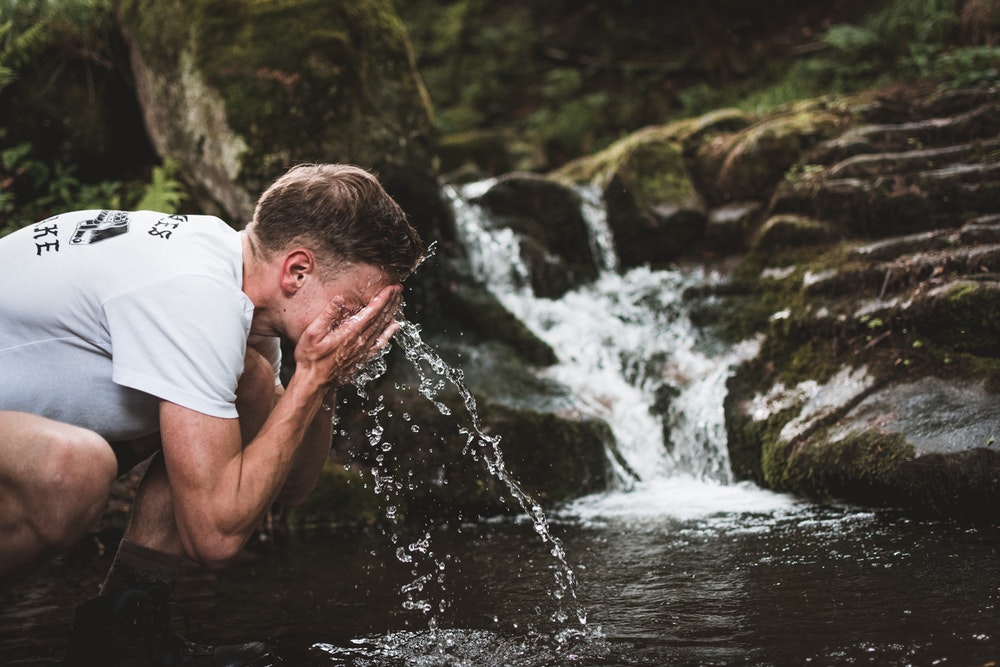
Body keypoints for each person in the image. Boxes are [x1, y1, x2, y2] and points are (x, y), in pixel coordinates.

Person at [0, 163, 425, 665]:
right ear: (298, 270)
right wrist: (310, 378)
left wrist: (323, 384)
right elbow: (214, 537)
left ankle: (122, 632)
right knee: (70, 471)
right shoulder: (195, 294)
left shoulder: (234, 293)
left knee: (248, 383)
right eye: (357, 307)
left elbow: (288, 489)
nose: (363, 326)